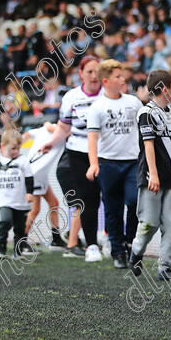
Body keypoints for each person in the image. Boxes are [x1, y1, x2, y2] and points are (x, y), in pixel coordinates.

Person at [41, 56, 101, 261]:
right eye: (90, 72)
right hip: (77, 155)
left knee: (109, 199)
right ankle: (81, 244)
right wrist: (52, 143)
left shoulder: (109, 95)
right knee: (84, 200)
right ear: (80, 74)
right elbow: (63, 128)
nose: (94, 76)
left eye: (98, 71)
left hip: (106, 154)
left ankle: (114, 244)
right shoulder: (71, 97)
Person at [86, 59, 144, 270]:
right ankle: (118, 251)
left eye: (122, 76)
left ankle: (130, 241)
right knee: (113, 209)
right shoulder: (97, 107)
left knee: (135, 202)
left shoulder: (134, 102)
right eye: (118, 76)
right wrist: (94, 164)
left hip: (131, 162)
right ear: (106, 80)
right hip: (108, 164)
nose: (122, 79)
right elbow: (92, 138)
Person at [130, 70, 171, 281]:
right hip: (151, 176)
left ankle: (165, 267)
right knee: (149, 223)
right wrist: (153, 174)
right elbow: (148, 145)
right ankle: (136, 250)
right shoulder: (146, 112)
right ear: (164, 89)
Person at [0, 130, 35, 259]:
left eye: (18, 148)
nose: (16, 151)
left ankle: (17, 251)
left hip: (20, 201)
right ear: (2, 146)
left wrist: (30, 193)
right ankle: (1, 248)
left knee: (20, 227)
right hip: (3, 200)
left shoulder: (23, 161)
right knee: (5, 221)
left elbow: (29, 179)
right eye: (13, 148)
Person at [22, 122, 68, 252]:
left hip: (40, 174)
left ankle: (56, 239)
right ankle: (22, 242)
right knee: (35, 210)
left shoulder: (48, 129)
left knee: (54, 203)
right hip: (35, 173)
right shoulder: (60, 131)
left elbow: (27, 134)